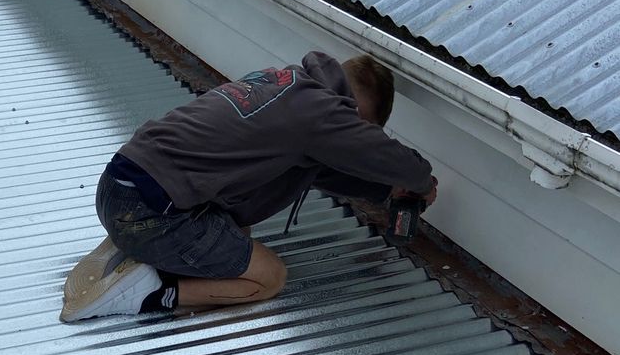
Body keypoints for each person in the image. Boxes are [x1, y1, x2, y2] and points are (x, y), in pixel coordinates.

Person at [60, 51, 437, 323]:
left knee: (240, 227)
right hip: (149, 213)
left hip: (120, 188)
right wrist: (420, 180)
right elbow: (388, 158)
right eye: (362, 129)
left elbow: (322, 169)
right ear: (352, 114)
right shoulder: (322, 114)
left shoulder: (285, 85)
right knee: (267, 276)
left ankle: (134, 252)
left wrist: (385, 192)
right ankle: (147, 291)